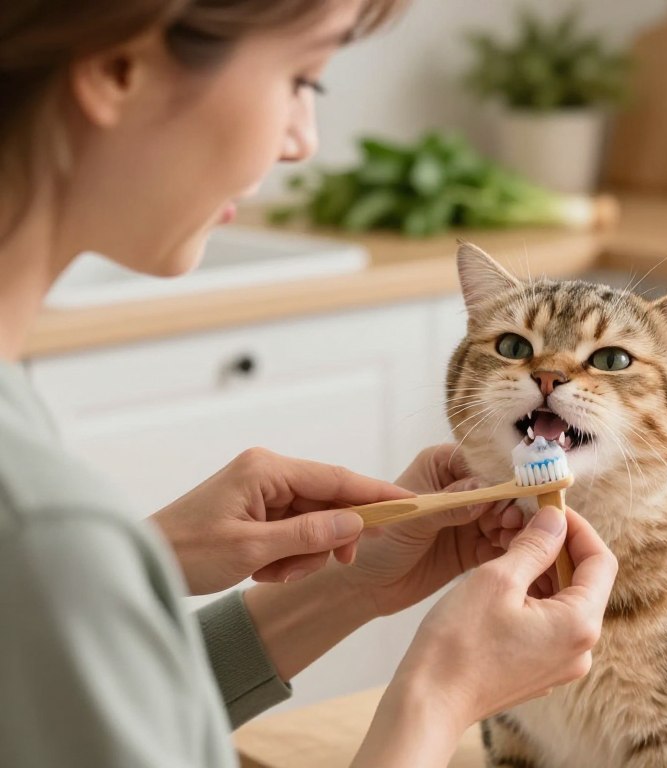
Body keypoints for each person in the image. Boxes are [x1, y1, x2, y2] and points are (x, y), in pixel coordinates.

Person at [0, 2, 619, 767]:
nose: (302, 141)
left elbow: (59, 712)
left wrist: (339, 587)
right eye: (303, 79)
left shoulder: (37, 499)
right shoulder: (42, 526)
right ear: (116, 69)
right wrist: (438, 697)